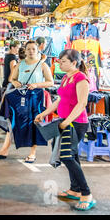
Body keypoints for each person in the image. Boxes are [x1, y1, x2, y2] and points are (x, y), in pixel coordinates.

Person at [35, 49, 95, 211]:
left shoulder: (81, 78)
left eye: (63, 61)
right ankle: (75, 190)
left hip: (76, 124)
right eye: (59, 61)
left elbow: (82, 103)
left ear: (74, 63)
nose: (59, 64)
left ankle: (86, 193)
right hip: (65, 122)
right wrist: (44, 113)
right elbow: (60, 100)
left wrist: (67, 121)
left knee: (67, 157)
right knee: (72, 157)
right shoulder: (66, 78)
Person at [0, 40, 54, 162]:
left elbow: (50, 82)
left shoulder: (42, 65)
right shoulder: (20, 64)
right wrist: (16, 83)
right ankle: (4, 150)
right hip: (21, 97)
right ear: (25, 50)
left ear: (37, 50)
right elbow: (12, 78)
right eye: (28, 49)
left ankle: (32, 153)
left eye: (33, 49)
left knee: (35, 125)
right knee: (13, 122)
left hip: (36, 98)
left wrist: (36, 85)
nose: (31, 51)